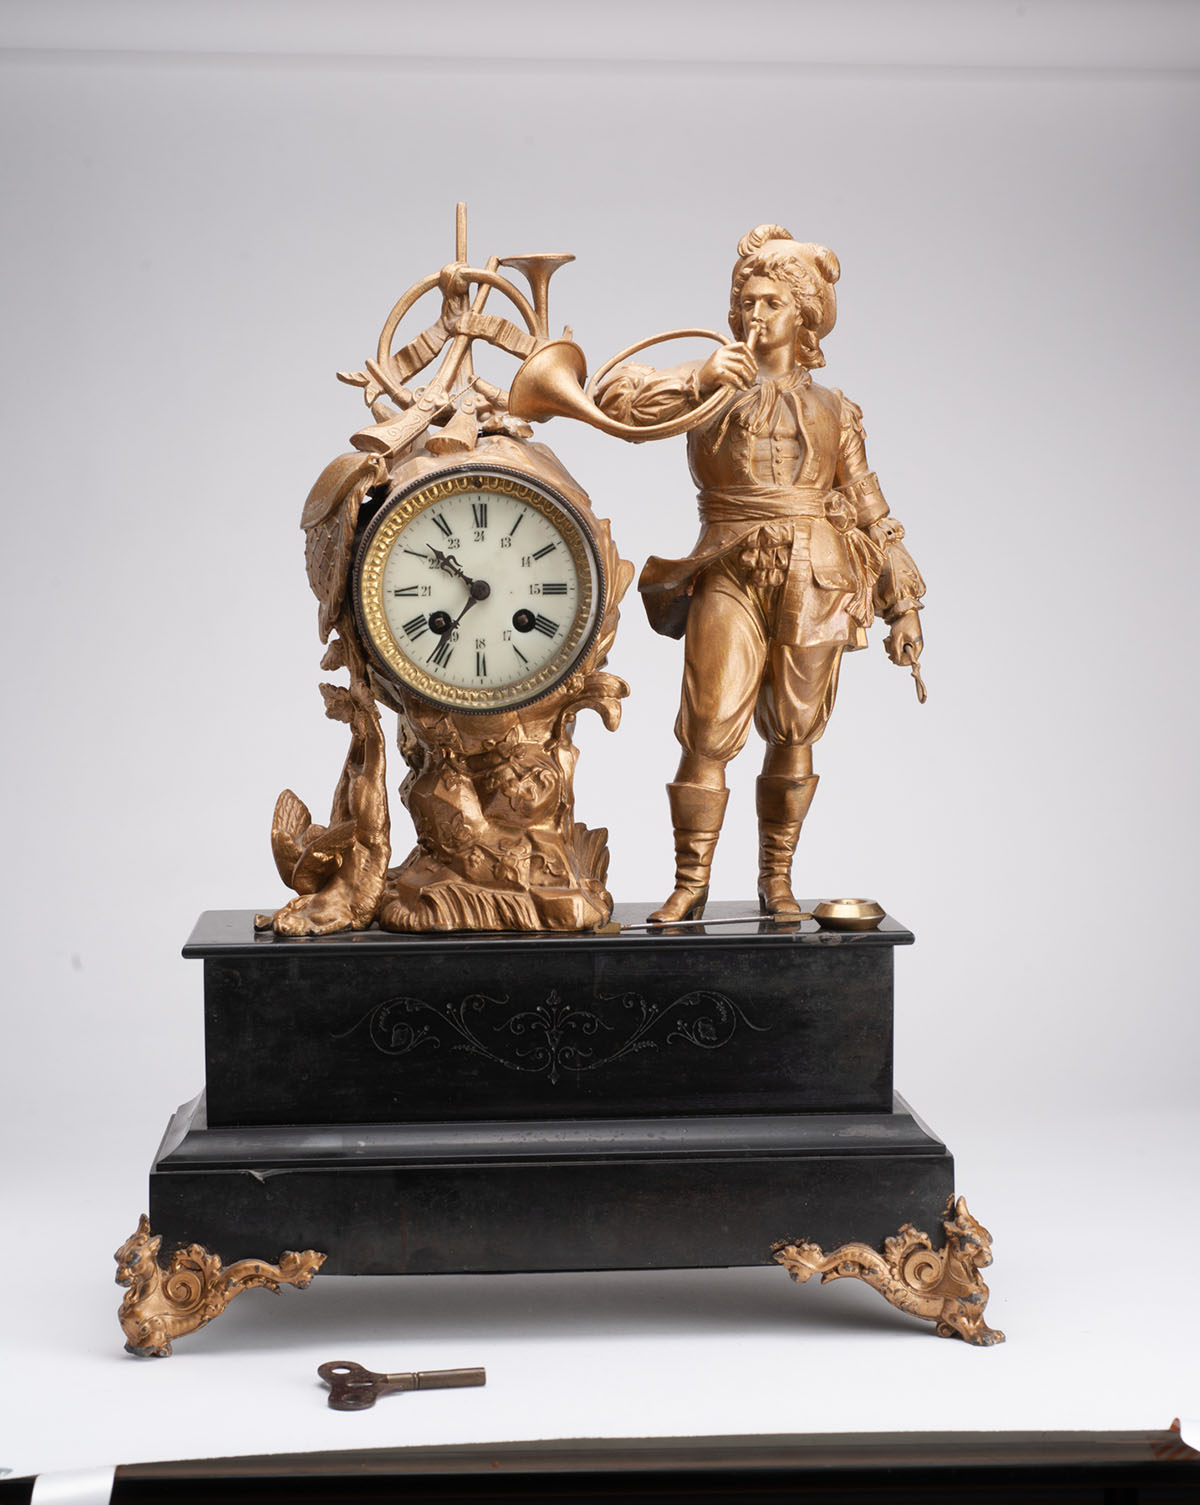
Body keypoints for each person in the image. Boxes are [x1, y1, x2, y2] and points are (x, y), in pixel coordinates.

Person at [596, 225, 926, 923]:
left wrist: (904, 607)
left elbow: (871, 506)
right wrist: (698, 376)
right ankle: (690, 883)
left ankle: (777, 880)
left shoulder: (835, 410)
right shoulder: (713, 387)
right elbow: (614, 403)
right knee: (707, 727)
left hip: (816, 576)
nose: (757, 314)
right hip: (728, 567)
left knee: (796, 731)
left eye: (773, 302)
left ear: (804, 314)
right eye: (747, 301)